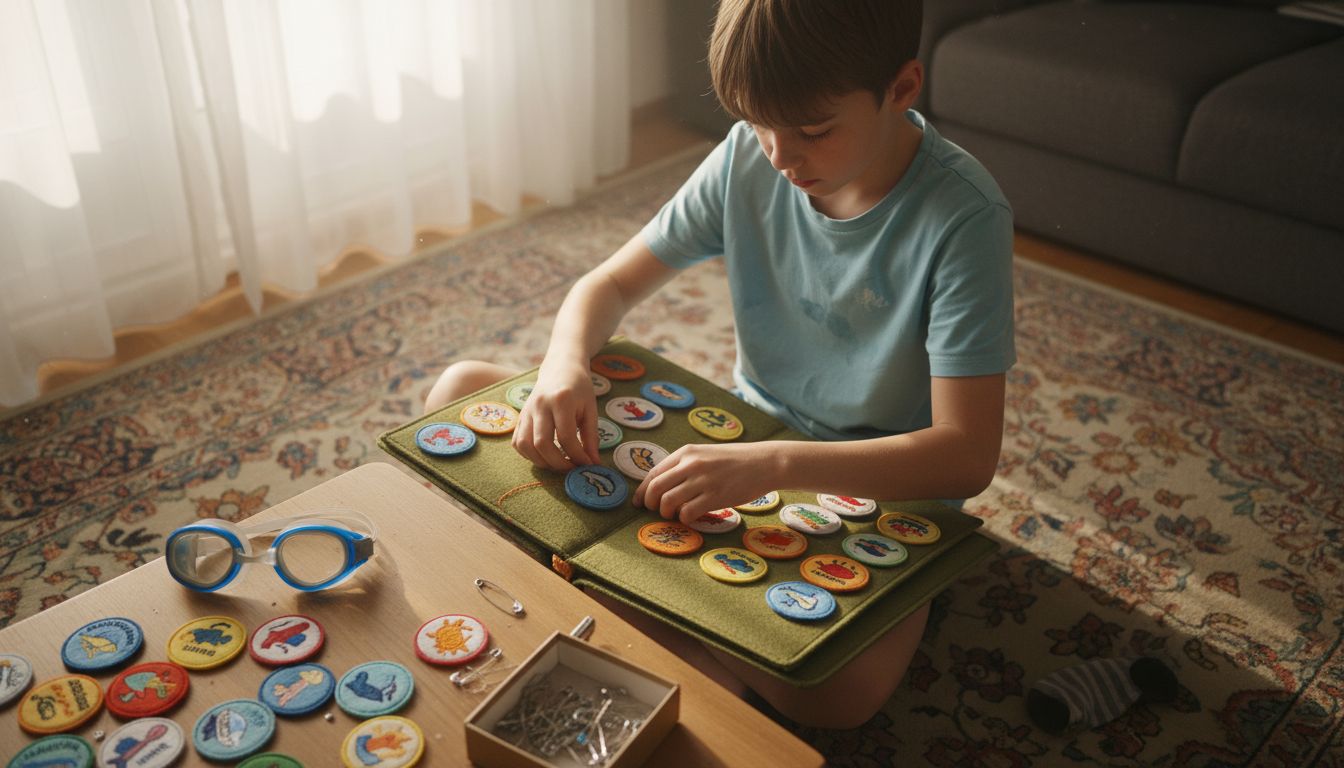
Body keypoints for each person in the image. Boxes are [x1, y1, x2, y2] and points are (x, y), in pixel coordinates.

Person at [424, 0, 1014, 729]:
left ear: (902, 88)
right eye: (760, 123)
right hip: (737, 439)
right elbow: (606, 286)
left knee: (841, 693)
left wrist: (773, 467)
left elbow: (966, 456)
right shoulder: (747, 154)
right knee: (458, 394)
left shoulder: (964, 218)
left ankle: (632, 602)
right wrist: (563, 364)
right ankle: (677, 627)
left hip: (873, 490)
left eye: (812, 130)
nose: (779, 155)